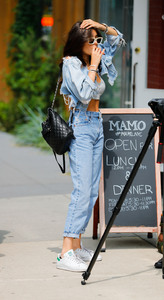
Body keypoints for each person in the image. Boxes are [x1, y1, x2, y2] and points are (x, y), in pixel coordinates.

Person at [56, 19, 124, 272]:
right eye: (91, 40)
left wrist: (100, 25)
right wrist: (94, 65)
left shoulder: (91, 60)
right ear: (78, 42)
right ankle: (65, 252)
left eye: (97, 40)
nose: (97, 44)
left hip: (97, 124)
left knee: (92, 192)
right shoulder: (71, 64)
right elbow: (84, 95)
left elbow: (118, 39)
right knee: (82, 190)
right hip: (82, 127)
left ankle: (76, 245)